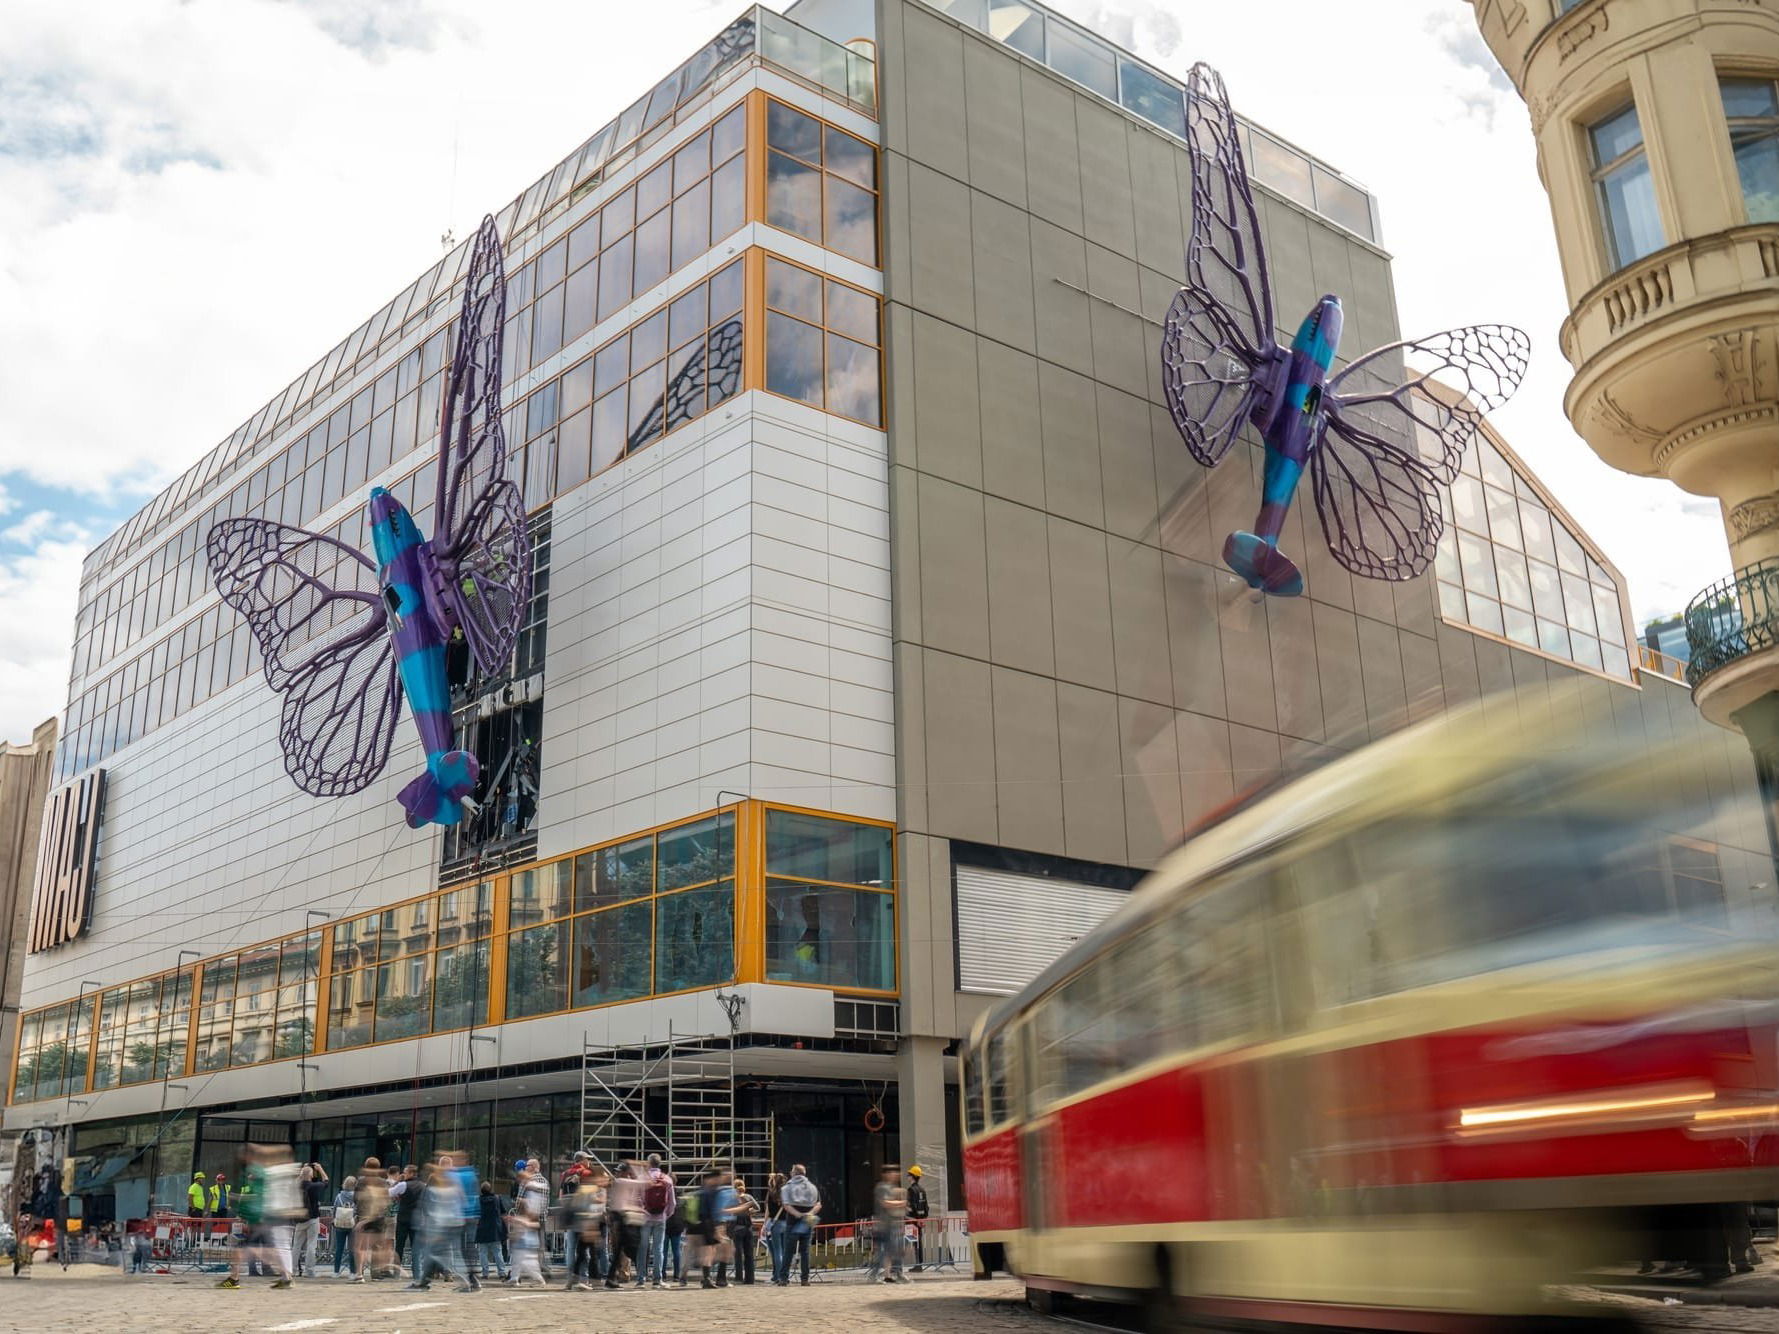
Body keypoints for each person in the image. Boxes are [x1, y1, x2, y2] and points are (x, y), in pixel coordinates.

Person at [410, 1161, 464, 1291]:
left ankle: (470, 1280)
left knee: (431, 1251)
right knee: (447, 1252)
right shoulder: (452, 1186)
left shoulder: (432, 1189)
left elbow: (427, 1208)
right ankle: (436, 1276)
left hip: (437, 1224)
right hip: (450, 1223)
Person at [774, 1164, 820, 1286]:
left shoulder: (787, 1187)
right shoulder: (812, 1187)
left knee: (788, 1251)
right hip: (808, 1221)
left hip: (792, 1222)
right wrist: (808, 1213)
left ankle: (783, 1278)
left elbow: (786, 1205)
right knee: (805, 1251)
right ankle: (805, 1279)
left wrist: (798, 1214)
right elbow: (818, 1204)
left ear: (794, 1173)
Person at [565, 1167, 607, 1290]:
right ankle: (584, 1279)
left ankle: (588, 1279)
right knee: (584, 1253)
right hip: (587, 1224)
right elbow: (586, 1208)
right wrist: (590, 1226)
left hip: (586, 1224)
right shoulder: (589, 1189)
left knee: (585, 1252)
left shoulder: (586, 1189)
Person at [447, 1152, 483, 1293]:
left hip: (461, 1215)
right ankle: (472, 1278)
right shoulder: (471, 1174)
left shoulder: (457, 1175)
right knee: (469, 1248)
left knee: (460, 1249)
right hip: (472, 1215)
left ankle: (468, 1280)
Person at [638, 1154, 675, 1288]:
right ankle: (657, 1279)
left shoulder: (642, 1178)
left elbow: (636, 1199)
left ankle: (641, 1279)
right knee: (658, 1249)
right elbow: (672, 1203)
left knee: (643, 1248)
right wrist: (666, 1215)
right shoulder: (667, 1179)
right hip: (661, 1218)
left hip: (645, 1217)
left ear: (649, 1163)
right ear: (660, 1164)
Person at [603, 1162, 642, 1288]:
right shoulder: (620, 1182)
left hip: (625, 1218)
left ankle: (614, 1277)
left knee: (622, 1250)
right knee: (625, 1250)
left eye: (620, 1171)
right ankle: (639, 1276)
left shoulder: (625, 1183)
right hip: (620, 1218)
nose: (617, 1173)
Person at [352, 1159, 391, 1281]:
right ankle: (376, 1273)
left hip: (363, 1216)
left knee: (361, 1246)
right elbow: (387, 1200)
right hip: (379, 1217)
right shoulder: (384, 1183)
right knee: (377, 1246)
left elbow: (355, 1198)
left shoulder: (361, 1182)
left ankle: (359, 1273)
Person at [870, 1164, 907, 1283]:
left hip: (892, 1225)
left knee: (892, 1251)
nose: (896, 1175)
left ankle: (890, 1274)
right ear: (886, 1174)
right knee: (884, 1252)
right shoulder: (882, 1187)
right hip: (883, 1226)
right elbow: (885, 1203)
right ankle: (875, 1275)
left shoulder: (892, 1187)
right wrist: (901, 1203)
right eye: (893, 1172)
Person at [391, 1164, 422, 1280]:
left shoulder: (403, 1185)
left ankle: (396, 1272)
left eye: (405, 1172)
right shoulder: (422, 1185)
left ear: (411, 1173)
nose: (403, 1174)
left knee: (399, 1246)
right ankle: (417, 1273)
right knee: (416, 1247)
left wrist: (397, 1182)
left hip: (403, 1219)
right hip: (417, 1219)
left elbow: (390, 1192)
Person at [727, 1176, 759, 1285]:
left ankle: (739, 1277)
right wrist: (750, 1211)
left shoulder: (732, 1198)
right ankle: (750, 1279)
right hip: (748, 1228)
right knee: (749, 1254)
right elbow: (758, 1208)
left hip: (737, 1228)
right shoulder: (749, 1197)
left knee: (738, 1254)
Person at [474, 1180, 508, 1281]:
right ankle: (502, 1272)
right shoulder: (497, 1198)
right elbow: (503, 1212)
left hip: (482, 1229)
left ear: (481, 1190)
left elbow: (476, 1214)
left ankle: (485, 1273)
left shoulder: (478, 1200)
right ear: (490, 1189)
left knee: (482, 1252)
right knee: (497, 1252)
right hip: (495, 1230)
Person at [292, 1164, 322, 1278]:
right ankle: (309, 1270)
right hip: (313, 1218)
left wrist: (302, 1173)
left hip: (300, 1219)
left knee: (296, 1246)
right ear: (311, 1175)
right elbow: (326, 1182)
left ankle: (293, 1270)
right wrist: (320, 1169)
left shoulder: (296, 1186)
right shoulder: (313, 1186)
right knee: (311, 1245)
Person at [331, 1176, 358, 1276]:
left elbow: (334, 1208)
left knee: (339, 1248)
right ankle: (352, 1272)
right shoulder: (356, 1196)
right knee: (352, 1249)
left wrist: (333, 1219)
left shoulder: (339, 1196)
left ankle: (336, 1271)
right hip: (352, 1224)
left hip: (340, 1224)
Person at [905, 1164, 930, 1271]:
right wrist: (922, 1218)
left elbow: (911, 1206)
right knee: (917, 1242)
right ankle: (919, 1264)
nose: (907, 1177)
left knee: (906, 1241)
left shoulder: (911, 1190)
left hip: (911, 1220)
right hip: (919, 1220)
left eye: (908, 1175)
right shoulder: (922, 1190)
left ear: (912, 1176)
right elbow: (926, 1206)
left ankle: (896, 1266)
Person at [762, 1172, 786, 1282]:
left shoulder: (771, 1193)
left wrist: (764, 1224)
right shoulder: (787, 1193)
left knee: (777, 1251)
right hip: (786, 1223)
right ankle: (783, 1275)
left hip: (774, 1223)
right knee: (784, 1251)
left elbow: (767, 1211)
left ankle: (778, 1276)